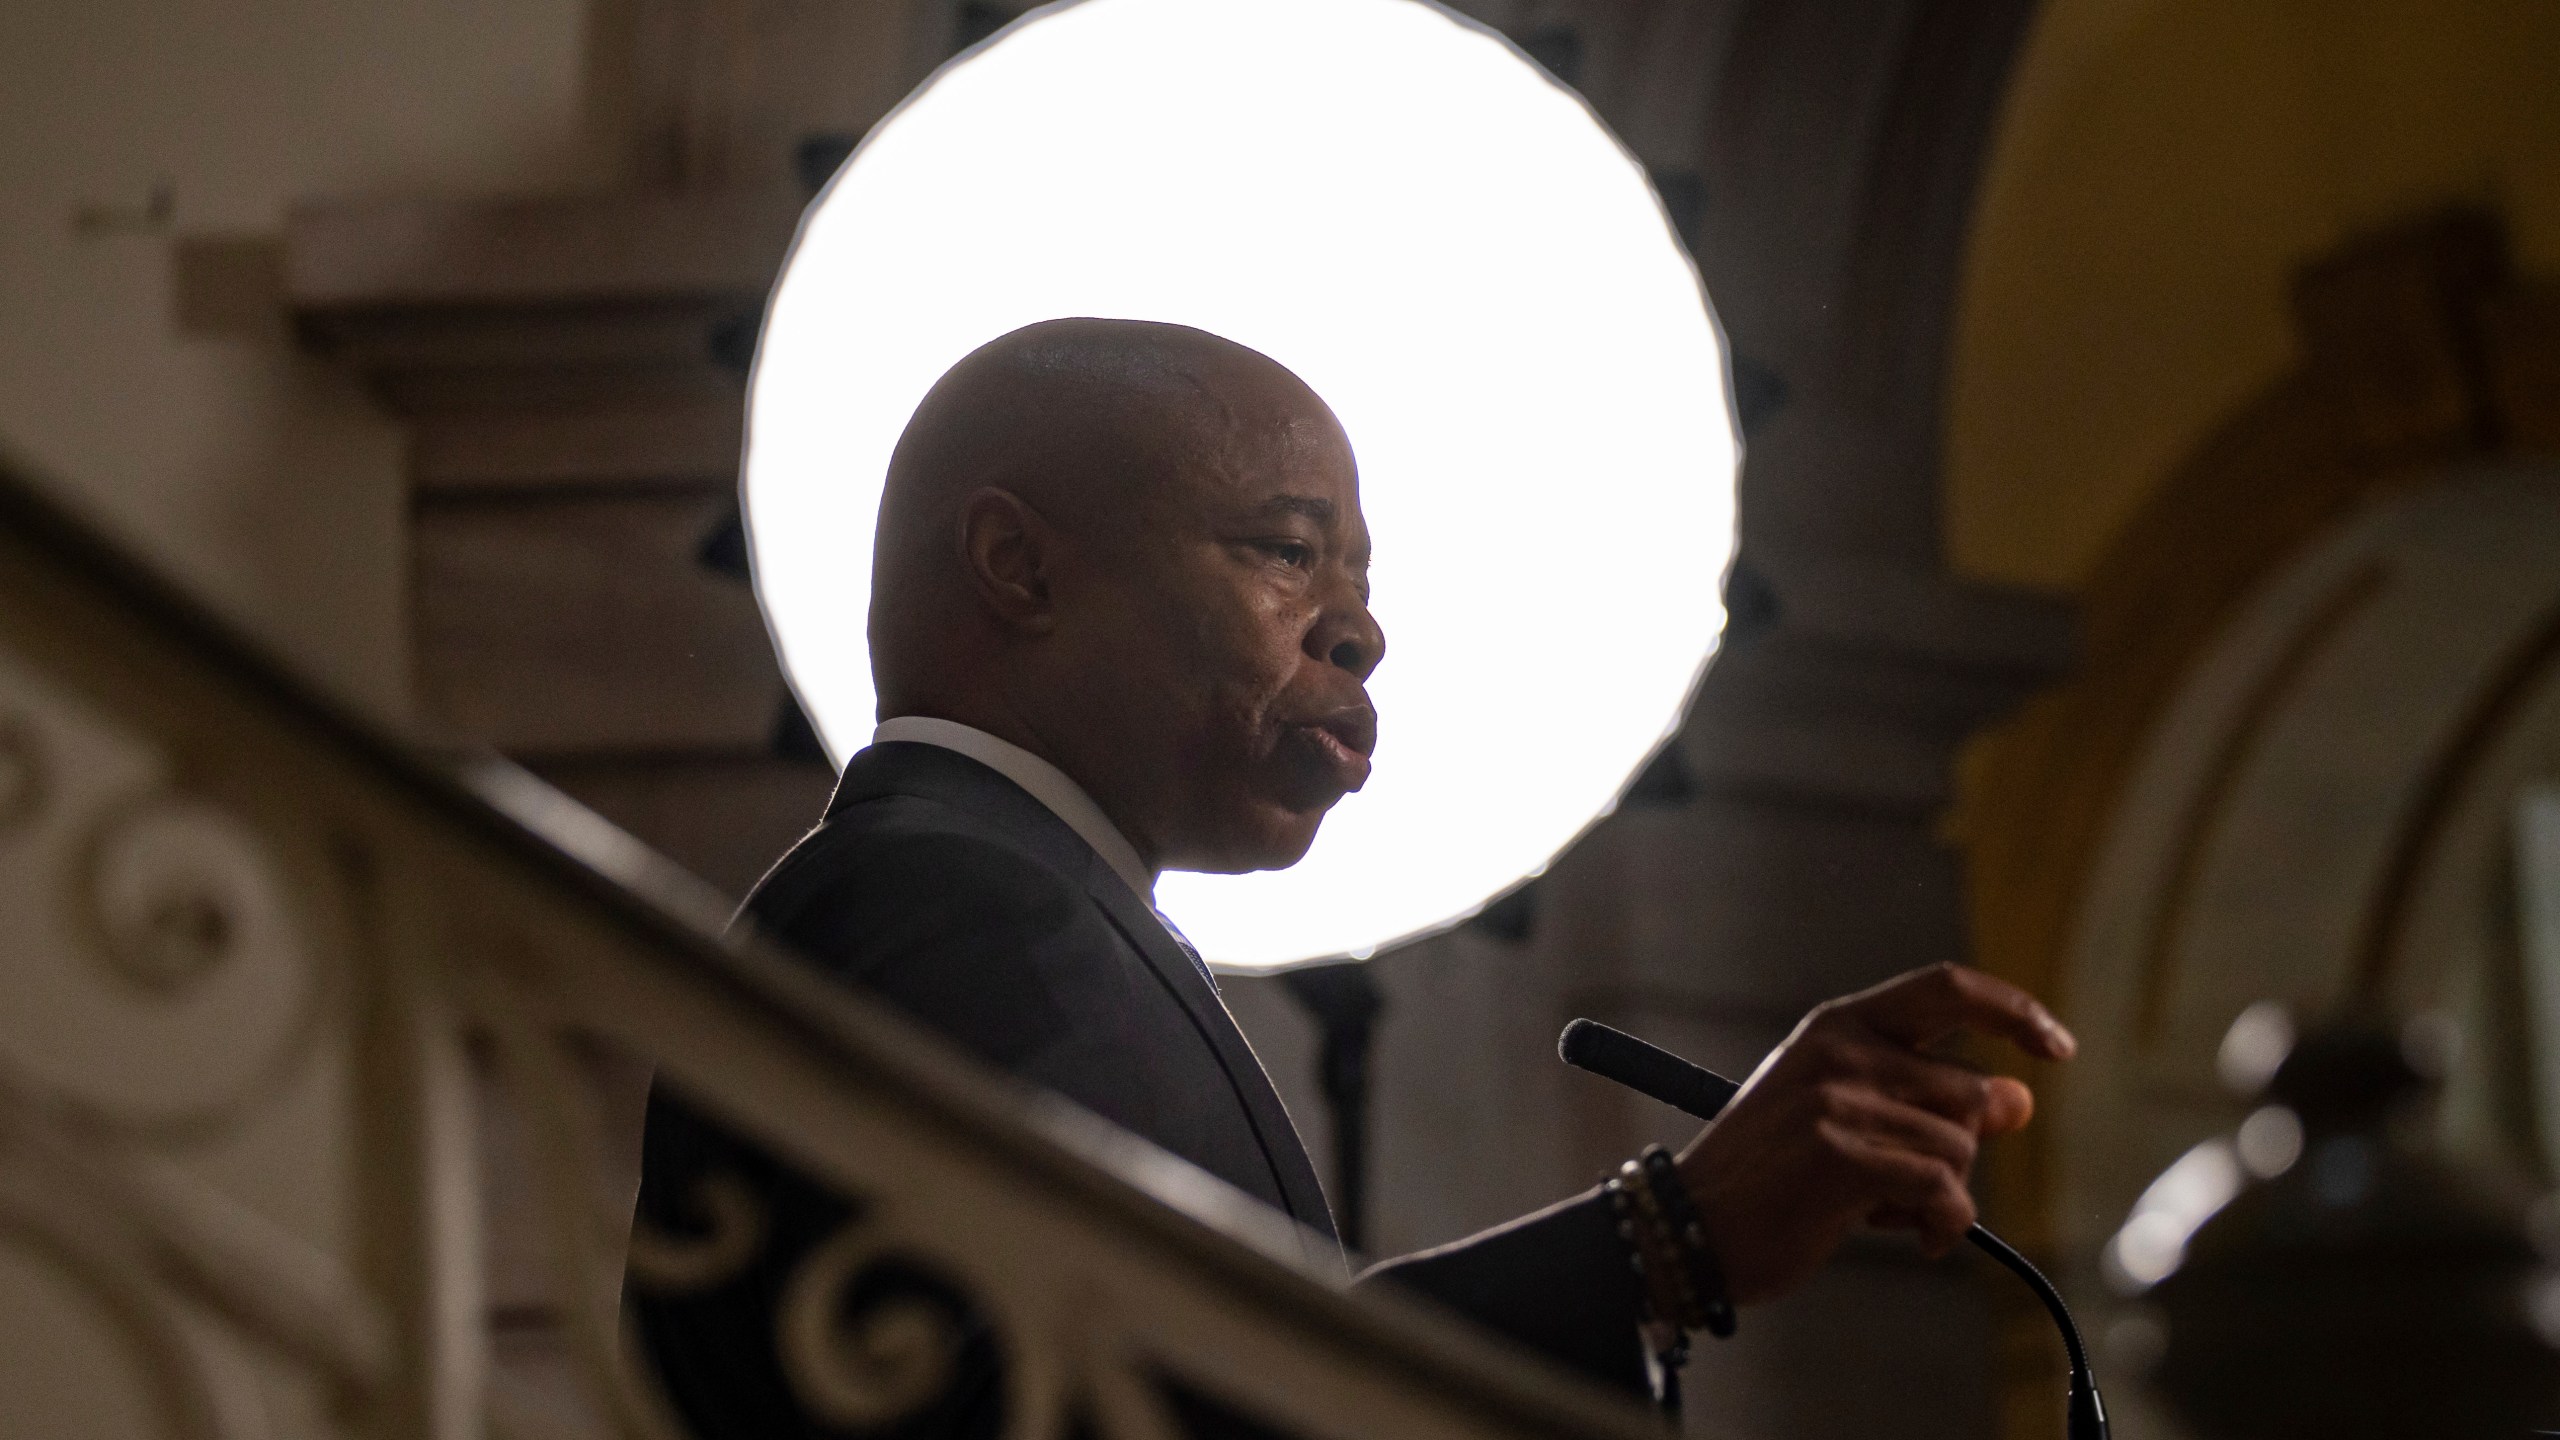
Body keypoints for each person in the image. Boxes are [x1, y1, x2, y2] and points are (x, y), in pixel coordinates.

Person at [630, 318, 2076, 1431]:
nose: (1357, 633)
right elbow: (1132, 1401)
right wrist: (1661, 1242)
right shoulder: (947, 901)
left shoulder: (1014, 898)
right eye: (1285, 552)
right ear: (1019, 565)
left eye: (1361, 583)